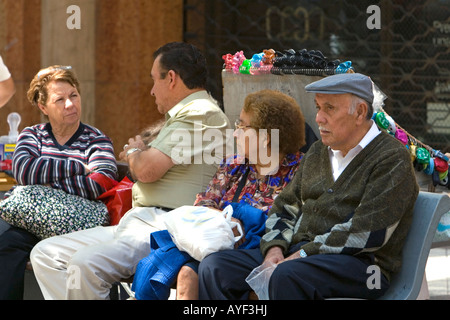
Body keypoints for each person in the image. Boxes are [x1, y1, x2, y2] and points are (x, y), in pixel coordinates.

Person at [30, 42, 231, 300]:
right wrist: (141, 154)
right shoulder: (187, 115)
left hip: (166, 226)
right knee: (45, 253)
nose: (151, 91)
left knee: (84, 265)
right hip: (140, 221)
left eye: (153, 80)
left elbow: (146, 170)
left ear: (171, 78)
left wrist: (136, 152)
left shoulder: (201, 113)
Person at [198, 73, 420, 300]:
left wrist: (303, 253)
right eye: (317, 107)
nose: (319, 118)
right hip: (302, 256)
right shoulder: (317, 152)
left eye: (329, 109)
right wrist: (274, 248)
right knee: (215, 268)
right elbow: (285, 206)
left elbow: (368, 232)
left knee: (287, 274)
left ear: (360, 112)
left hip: (366, 269)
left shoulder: (391, 158)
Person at [132, 89, 306, 300]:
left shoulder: (301, 171)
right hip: (217, 247)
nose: (235, 133)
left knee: (218, 272)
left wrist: (246, 226)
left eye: (242, 126)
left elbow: (297, 226)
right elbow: (204, 203)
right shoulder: (234, 165)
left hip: (266, 253)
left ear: (265, 139)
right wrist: (226, 220)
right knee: (187, 274)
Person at [0, 65, 117, 300]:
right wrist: (76, 167)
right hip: (33, 224)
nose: (70, 104)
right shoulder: (32, 135)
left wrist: (43, 185)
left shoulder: (96, 139)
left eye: (74, 95)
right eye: (60, 99)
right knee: (6, 244)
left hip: (78, 228)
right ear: (43, 107)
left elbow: (100, 182)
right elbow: (24, 171)